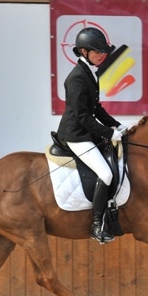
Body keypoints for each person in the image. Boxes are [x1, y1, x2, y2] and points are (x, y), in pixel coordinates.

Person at [56, 27, 129, 244]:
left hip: (86, 131)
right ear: (83, 51)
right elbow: (82, 117)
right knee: (105, 174)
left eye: (102, 52)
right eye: (97, 52)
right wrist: (108, 133)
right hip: (75, 135)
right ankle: (97, 224)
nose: (102, 55)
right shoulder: (77, 78)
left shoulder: (90, 73)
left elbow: (96, 108)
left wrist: (117, 125)